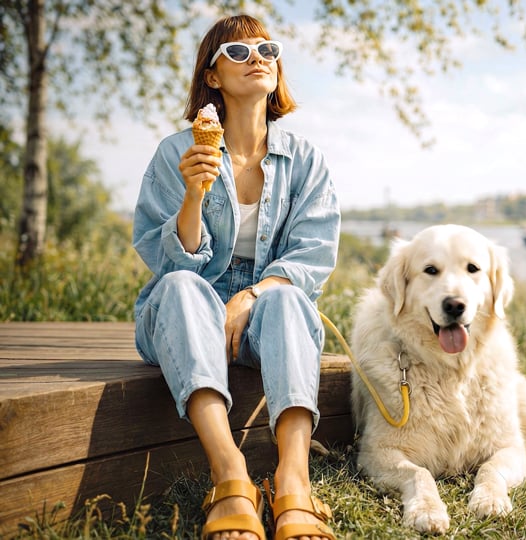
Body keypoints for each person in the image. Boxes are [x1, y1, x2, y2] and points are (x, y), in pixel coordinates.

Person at [132, 14, 339, 540]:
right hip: (184, 305)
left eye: (268, 49)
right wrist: (194, 196)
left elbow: (311, 257)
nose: (259, 59)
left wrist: (251, 294)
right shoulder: (175, 152)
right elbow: (169, 266)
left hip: (264, 309)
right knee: (181, 287)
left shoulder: (306, 159)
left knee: (291, 300)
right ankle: (231, 474)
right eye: (240, 53)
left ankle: (293, 477)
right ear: (213, 76)